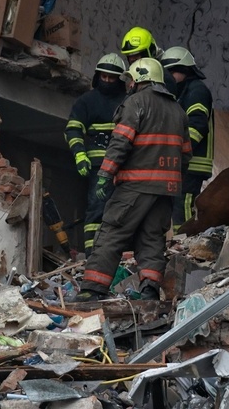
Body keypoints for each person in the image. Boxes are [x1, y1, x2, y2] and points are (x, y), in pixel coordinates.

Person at [77, 58, 191, 302]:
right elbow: (185, 155)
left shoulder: (136, 103)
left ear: (141, 78)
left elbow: (120, 142)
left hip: (135, 186)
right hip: (165, 191)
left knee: (111, 232)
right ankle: (149, 289)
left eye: (130, 79)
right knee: (151, 238)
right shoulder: (178, 111)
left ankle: (92, 289)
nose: (128, 84)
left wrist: (105, 175)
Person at [64, 53, 127, 255]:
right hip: (98, 168)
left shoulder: (128, 102)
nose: (107, 81)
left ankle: (119, 253)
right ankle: (93, 255)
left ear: (120, 79)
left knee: (124, 211)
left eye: (112, 78)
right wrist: (80, 156)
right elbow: (73, 129)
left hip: (125, 167)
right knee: (97, 208)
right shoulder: (86, 101)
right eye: (104, 76)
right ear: (97, 76)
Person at [161, 47, 214, 230]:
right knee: (177, 207)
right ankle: (179, 241)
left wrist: (179, 151)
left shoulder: (196, 91)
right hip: (184, 161)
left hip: (192, 162)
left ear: (184, 70)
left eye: (171, 73)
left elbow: (198, 125)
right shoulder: (182, 92)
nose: (167, 78)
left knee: (183, 207)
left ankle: (184, 242)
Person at [120, 26, 176, 94]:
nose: (132, 59)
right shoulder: (130, 75)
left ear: (151, 51)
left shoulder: (163, 76)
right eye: (129, 55)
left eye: (137, 54)